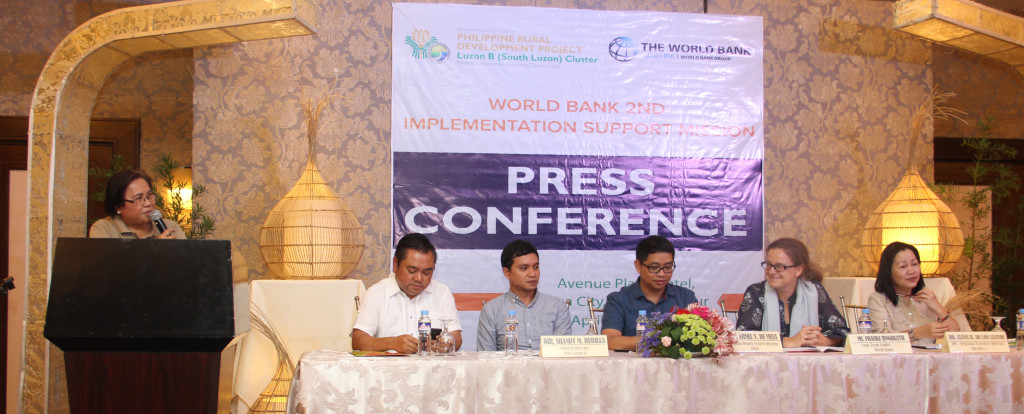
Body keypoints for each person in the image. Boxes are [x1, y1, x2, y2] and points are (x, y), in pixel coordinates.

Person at [352, 233, 462, 353]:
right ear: (395, 264)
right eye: (412, 270)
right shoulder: (376, 293)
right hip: (389, 369)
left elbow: (456, 337)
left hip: (432, 369)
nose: (419, 278)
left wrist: (446, 343)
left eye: (426, 273)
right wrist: (391, 343)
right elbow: (358, 341)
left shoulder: (442, 293)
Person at [736, 238, 849, 347]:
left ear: (798, 270)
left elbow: (843, 332)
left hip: (808, 364)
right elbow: (743, 337)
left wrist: (823, 341)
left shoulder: (814, 290)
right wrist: (789, 341)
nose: (771, 271)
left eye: (779, 266)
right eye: (769, 265)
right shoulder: (756, 292)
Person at [601, 235, 699, 350]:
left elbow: (699, 337)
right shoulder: (618, 300)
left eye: (668, 267)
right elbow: (611, 341)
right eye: (654, 267)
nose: (662, 274)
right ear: (638, 266)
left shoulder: (686, 297)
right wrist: (658, 338)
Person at [477, 240, 571, 351]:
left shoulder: (558, 307)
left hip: (547, 368)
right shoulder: (492, 310)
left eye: (536, 267)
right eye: (524, 268)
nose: (532, 274)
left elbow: (561, 354)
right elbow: (485, 359)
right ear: (507, 273)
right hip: (507, 368)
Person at [867, 241, 969, 344]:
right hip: (897, 359)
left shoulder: (927, 297)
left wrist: (938, 307)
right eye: (903, 266)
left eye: (915, 264)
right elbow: (881, 340)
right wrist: (917, 333)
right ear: (888, 271)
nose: (911, 271)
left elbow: (955, 334)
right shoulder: (878, 300)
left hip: (929, 359)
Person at [89, 170, 183, 239]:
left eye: (149, 195)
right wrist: (155, 248)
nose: (148, 203)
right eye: (138, 198)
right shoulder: (104, 228)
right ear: (118, 206)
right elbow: (109, 264)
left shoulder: (170, 227)